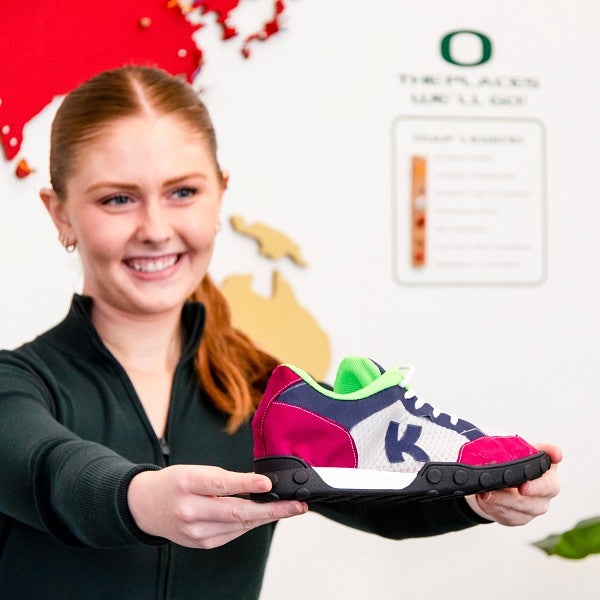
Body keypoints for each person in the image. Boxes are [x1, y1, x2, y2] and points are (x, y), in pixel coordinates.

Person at [0, 66, 561, 600]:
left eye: (183, 193)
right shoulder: (14, 388)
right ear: (61, 215)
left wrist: (477, 502)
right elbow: (53, 473)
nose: (155, 229)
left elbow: (377, 497)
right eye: (117, 199)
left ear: (220, 195)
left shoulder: (266, 390)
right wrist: (140, 499)